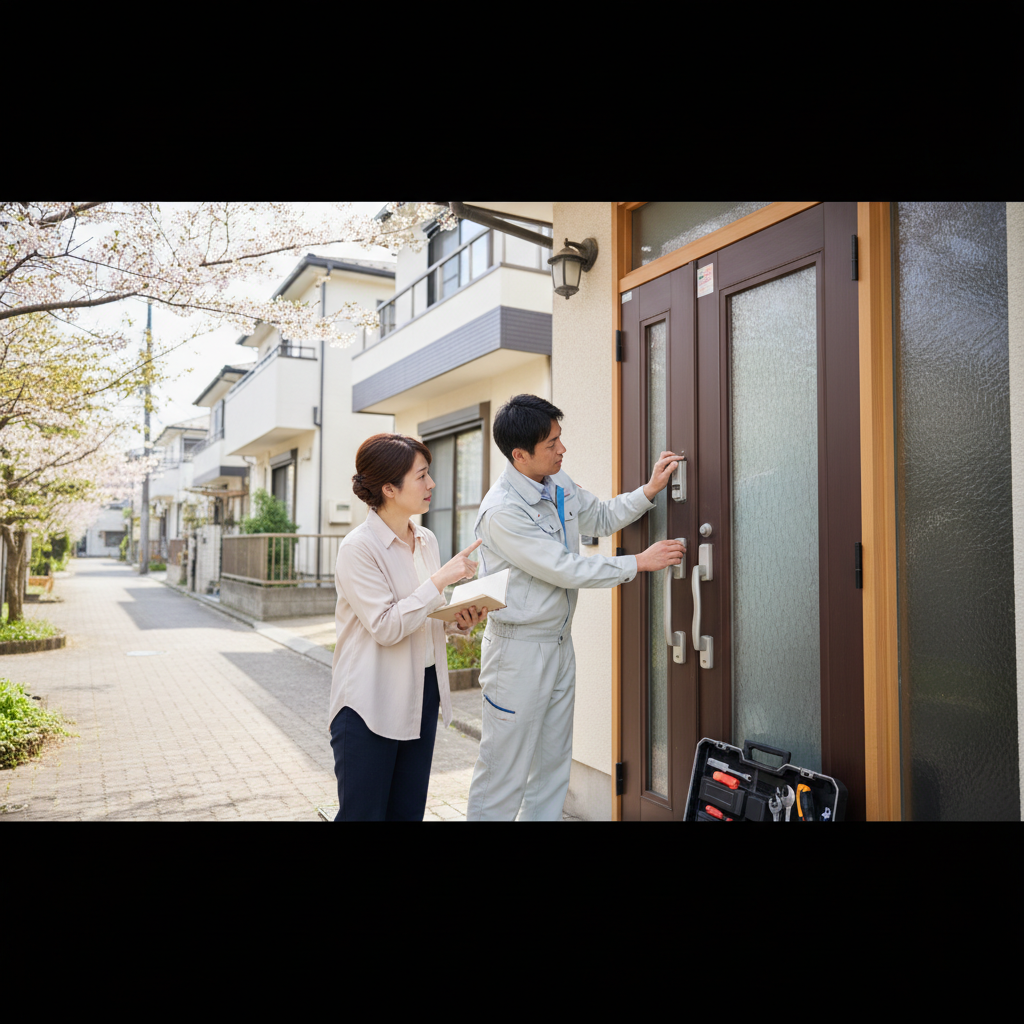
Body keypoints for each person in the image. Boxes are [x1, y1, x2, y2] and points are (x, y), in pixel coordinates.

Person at [466, 394, 685, 821]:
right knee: (503, 772)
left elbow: (599, 517)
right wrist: (638, 563)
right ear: (519, 455)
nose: (561, 449)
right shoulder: (502, 512)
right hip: (517, 653)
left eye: (559, 439)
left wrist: (649, 490)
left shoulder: (557, 481)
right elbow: (562, 568)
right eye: (552, 444)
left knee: (552, 768)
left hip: (558, 644)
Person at [329, 433, 487, 821]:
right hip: (370, 701)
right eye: (421, 476)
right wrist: (440, 582)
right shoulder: (358, 548)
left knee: (408, 811)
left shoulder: (426, 539)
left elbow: (419, 617)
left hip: (422, 692)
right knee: (364, 814)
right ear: (388, 488)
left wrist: (456, 620)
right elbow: (385, 627)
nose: (432, 484)